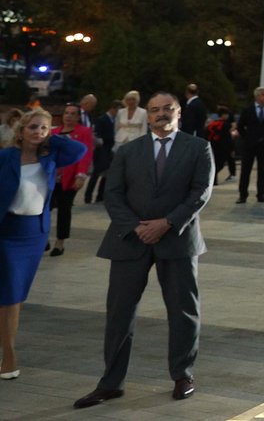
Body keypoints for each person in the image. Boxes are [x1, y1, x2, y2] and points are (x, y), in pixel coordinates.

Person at [76, 91, 212, 407]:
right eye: (155, 110)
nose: (161, 114)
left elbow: (200, 192)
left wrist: (166, 223)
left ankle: (183, 375)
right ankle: (111, 383)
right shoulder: (128, 151)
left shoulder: (198, 148)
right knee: (119, 314)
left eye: (168, 109)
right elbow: (112, 194)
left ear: (179, 113)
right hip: (130, 240)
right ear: (147, 115)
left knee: (183, 311)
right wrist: (137, 226)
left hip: (177, 239)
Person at [1, 107, 86, 378]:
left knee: (16, 296)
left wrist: (53, 137)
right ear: (21, 130)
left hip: (34, 234)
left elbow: (79, 153)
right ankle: (9, 357)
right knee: (10, 297)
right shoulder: (6, 157)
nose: (38, 132)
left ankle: (6, 346)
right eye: (33, 127)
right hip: (7, 233)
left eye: (44, 128)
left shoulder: (50, 156)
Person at [47, 102, 94, 256]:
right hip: (52, 178)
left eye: (73, 113)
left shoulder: (84, 132)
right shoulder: (54, 132)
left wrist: (81, 175)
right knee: (45, 209)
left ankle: (60, 243)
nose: (68, 116)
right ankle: (43, 238)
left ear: (78, 117)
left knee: (64, 209)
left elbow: (85, 155)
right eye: (67, 113)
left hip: (70, 179)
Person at [236, 87, 264, 203]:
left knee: (262, 171)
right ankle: (243, 194)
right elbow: (240, 126)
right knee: (246, 170)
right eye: (263, 95)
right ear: (256, 96)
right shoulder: (248, 109)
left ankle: (261, 194)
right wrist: (247, 137)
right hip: (249, 145)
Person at [84, 95, 113, 205]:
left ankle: (100, 196)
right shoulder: (101, 119)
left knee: (106, 174)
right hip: (100, 150)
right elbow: (97, 134)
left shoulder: (90, 116)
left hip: (108, 151)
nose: (92, 107)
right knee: (96, 174)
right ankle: (88, 197)